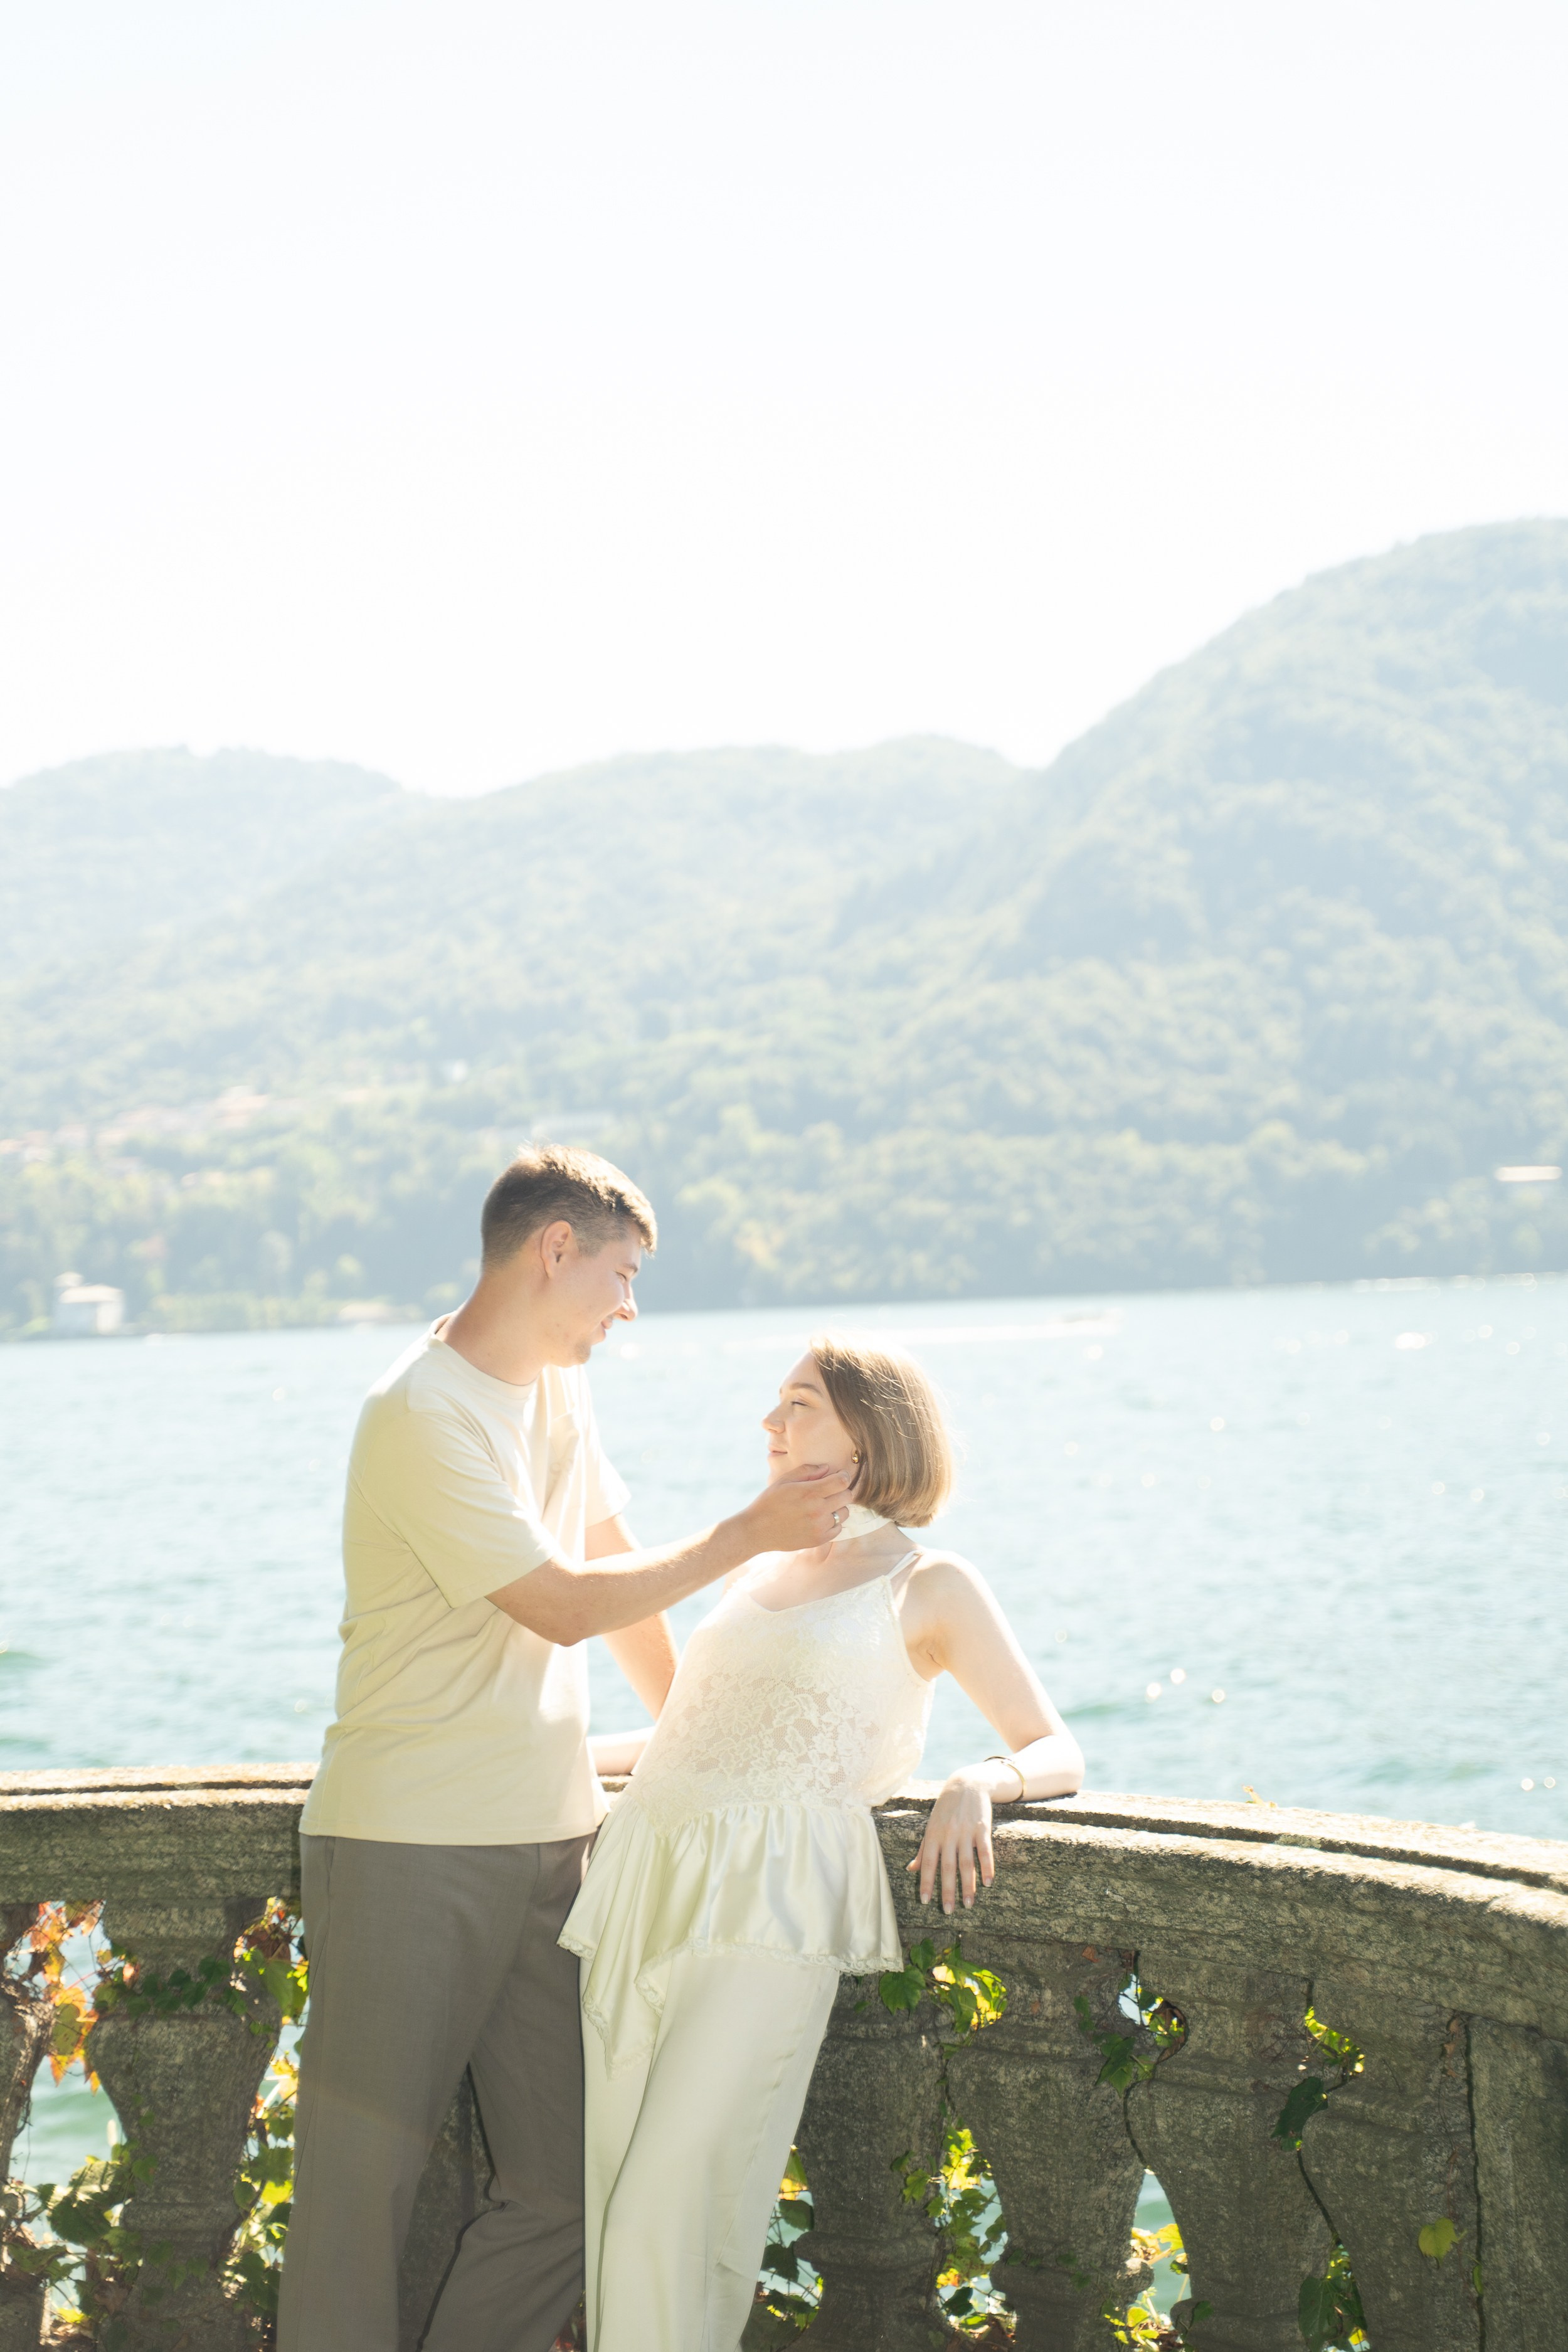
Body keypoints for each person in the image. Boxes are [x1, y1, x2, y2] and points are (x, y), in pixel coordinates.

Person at [277, 1146, 850, 2352]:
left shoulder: (557, 1387)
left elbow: (618, 1564)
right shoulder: (418, 1413)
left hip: (557, 1843)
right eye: (623, 1274)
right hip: (404, 1849)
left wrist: (714, 1732)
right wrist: (748, 1532)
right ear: (555, 1250)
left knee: (568, 2183)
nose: (629, 1307)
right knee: (355, 2204)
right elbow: (563, 1600)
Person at [561, 1332, 1084, 2352]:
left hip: (773, 1905)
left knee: (666, 2203)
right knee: (616, 2197)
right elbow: (684, 1737)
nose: (770, 1423)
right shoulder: (756, 1568)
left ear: (868, 1430)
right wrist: (538, 1755)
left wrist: (982, 1779)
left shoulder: (929, 1580)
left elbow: (1053, 1743)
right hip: (646, 1881)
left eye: (798, 1403)